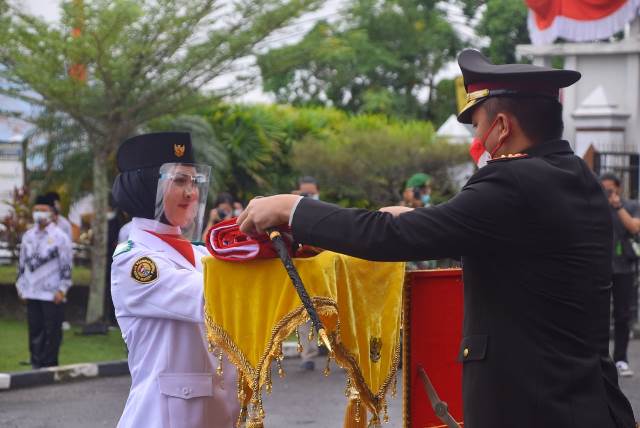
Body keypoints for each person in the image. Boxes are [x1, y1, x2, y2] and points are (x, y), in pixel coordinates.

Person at [237, 49, 636, 427]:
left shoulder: (512, 179)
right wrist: (416, 218)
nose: (478, 140)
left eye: (479, 126)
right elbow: (515, 249)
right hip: (584, 403)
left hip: (530, 407)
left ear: (501, 127)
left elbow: (390, 238)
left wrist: (293, 208)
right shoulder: (575, 177)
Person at [111, 132, 239, 428]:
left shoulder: (201, 253)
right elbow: (211, 297)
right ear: (145, 187)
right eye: (179, 181)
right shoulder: (134, 261)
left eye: (194, 182)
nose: (191, 192)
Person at [16, 194, 73, 369]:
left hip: (52, 293)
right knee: (35, 330)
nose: (39, 214)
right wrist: (21, 287)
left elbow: (66, 266)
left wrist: (62, 289)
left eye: (43, 210)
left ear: (52, 213)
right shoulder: (28, 236)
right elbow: (22, 263)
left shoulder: (60, 237)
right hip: (32, 292)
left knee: (52, 332)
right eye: (36, 210)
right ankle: (36, 364)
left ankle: (50, 366)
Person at [601, 173, 640, 377]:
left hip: (623, 267)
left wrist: (617, 205)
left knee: (623, 315)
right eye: (604, 189)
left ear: (618, 189)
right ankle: (598, 358)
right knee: (598, 314)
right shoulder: (596, 206)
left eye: (611, 189)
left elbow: (634, 227)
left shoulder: (629, 205)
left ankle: (621, 359)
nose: (608, 193)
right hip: (599, 267)